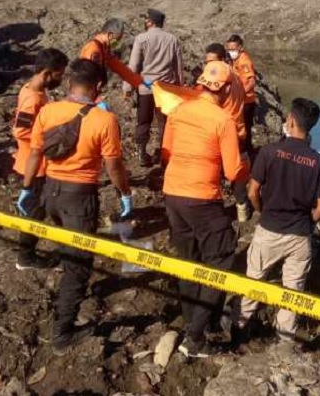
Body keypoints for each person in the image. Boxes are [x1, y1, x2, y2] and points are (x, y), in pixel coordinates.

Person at [18, 59, 134, 356]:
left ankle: (64, 275)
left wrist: (27, 188)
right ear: (98, 87)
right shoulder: (104, 120)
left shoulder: (48, 111)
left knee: (64, 240)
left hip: (49, 192)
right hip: (79, 197)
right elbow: (114, 165)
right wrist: (125, 193)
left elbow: (34, 154)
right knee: (80, 265)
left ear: (69, 83)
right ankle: (63, 333)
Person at [161, 60, 248, 358]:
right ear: (224, 88)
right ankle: (195, 337)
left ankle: (193, 319)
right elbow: (234, 169)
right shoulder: (223, 120)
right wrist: (242, 201)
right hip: (202, 197)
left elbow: (165, 153)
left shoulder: (179, 111)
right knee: (219, 260)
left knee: (188, 260)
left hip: (172, 193)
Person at [233, 98, 320, 345]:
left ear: (289, 121)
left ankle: (241, 326)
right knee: (293, 291)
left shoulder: (269, 152)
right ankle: (284, 338)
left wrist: (262, 212)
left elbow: (253, 191)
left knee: (254, 278)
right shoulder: (319, 163)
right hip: (299, 236)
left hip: (269, 229)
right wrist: (305, 224)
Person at [12, 48, 68, 270]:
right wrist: (50, 136)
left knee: (41, 209)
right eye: (59, 75)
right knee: (36, 213)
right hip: (34, 167)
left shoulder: (35, 91)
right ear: (46, 73)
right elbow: (20, 131)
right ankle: (25, 257)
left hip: (36, 164)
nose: (61, 79)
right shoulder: (32, 98)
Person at [125, 9, 184, 167]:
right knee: (165, 123)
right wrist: (180, 87)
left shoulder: (141, 38)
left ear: (150, 22)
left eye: (146, 19)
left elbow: (134, 65)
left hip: (146, 88)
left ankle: (142, 154)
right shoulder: (172, 39)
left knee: (143, 121)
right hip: (166, 89)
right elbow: (178, 66)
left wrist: (127, 87)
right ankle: (165, 154)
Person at [204, 42, 251, 223]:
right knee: (237, 173)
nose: (209, 67)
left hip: (225, 134)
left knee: (219, 172)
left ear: (223, 60)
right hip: (236, 132)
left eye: (212, 62)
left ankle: (224, 210)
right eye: (207, 62)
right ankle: (242, 208)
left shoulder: (224, 81)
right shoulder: (234, 77)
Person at [80, 18, 144, 98]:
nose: (117, 43)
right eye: (117, 39)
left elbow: (119, 67)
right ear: (109, 34)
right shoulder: (93, 50)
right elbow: (85, 78)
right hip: (85, 93)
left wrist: (139, 81)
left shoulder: (103, 48)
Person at [226, 35, 257, 156]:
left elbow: (252, 81)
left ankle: (247, 154)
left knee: (245, 131)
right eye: (229, 49)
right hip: (240, 101)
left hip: (246, 102)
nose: (231, 51)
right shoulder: (235, 60)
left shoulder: (244, 61)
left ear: (240, 48)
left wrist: (240, 95)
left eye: (233, 48)